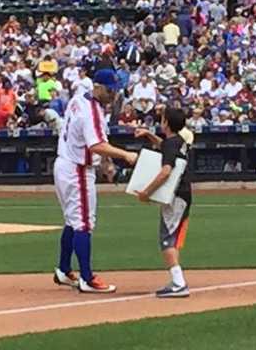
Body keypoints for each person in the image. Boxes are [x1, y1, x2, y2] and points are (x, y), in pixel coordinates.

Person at [53, 69, 138, 294]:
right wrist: (126, 155)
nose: (113, 95)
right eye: (110, 90)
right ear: (98, 87)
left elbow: (96, 141)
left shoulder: (80, 99)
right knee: (83, 224)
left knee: (73, 221)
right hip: (77, 169)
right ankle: (87, 278)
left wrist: (107, 163)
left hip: (66, 163)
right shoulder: (91, 110)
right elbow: (96, 145)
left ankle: (63, 269)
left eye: (116, 91)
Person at [134, 107, 192, 298]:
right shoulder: (178, 141)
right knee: (171, 237)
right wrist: (150, 135)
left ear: (166, 123)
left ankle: (178, 283)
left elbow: (166, 171)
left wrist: (146, 192)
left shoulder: (171, 144)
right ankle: (177, 281)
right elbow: (166, 146)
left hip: (175, 196)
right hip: (182, 194)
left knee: (167, 239)